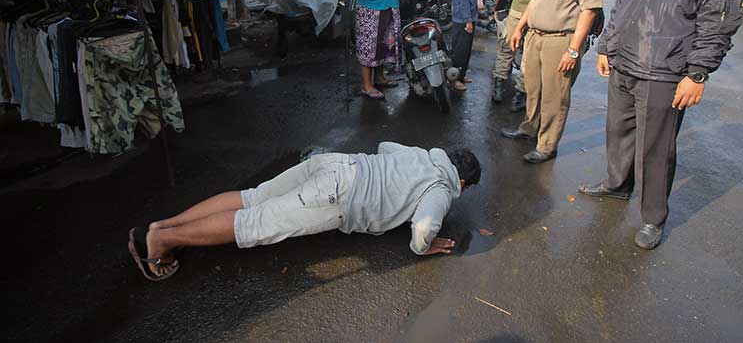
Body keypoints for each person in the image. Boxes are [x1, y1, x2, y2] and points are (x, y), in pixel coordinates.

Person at [579, 0, 743, 249]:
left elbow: (718, 23)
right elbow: (621, 10)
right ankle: (618, 184)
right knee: (617, 131)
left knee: (655, 148)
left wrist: (697, 73)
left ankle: (653, 217)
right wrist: (607, 47)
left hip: (665, 73)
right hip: (625, 66)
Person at [128, 142, 482, 281]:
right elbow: (423, 230)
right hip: (337, 195)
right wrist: (425, 246)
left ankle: (163, 225)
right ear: (463, 183)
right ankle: (162, 240)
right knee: (253, 224)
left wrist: (392, 181)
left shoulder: (423, 154)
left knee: (253, 197)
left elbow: (385, 146)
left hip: (337, 164)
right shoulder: (441, 190)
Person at [501, 0, 607, 164]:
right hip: (535, 35)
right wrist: (520, 26)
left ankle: (547, 145)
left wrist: (573, 49)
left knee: (554, 96)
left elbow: (589, 9)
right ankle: (530, 129)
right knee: (533, 89)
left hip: (561, 39)